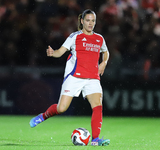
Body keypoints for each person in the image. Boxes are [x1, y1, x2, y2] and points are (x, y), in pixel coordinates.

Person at [29, 9, 110, 146]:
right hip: (75, 77)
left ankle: (95, 140)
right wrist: (52, 53)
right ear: (82, 21)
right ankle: (43, 116)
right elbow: (60, 52)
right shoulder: (75, 37)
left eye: (93, 21)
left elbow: (106, 52)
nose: (91, 23)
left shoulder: (99, 38)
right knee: (62, 109)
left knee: (97, 106)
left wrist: (103, 63)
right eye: (88, 20)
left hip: (92, 78)